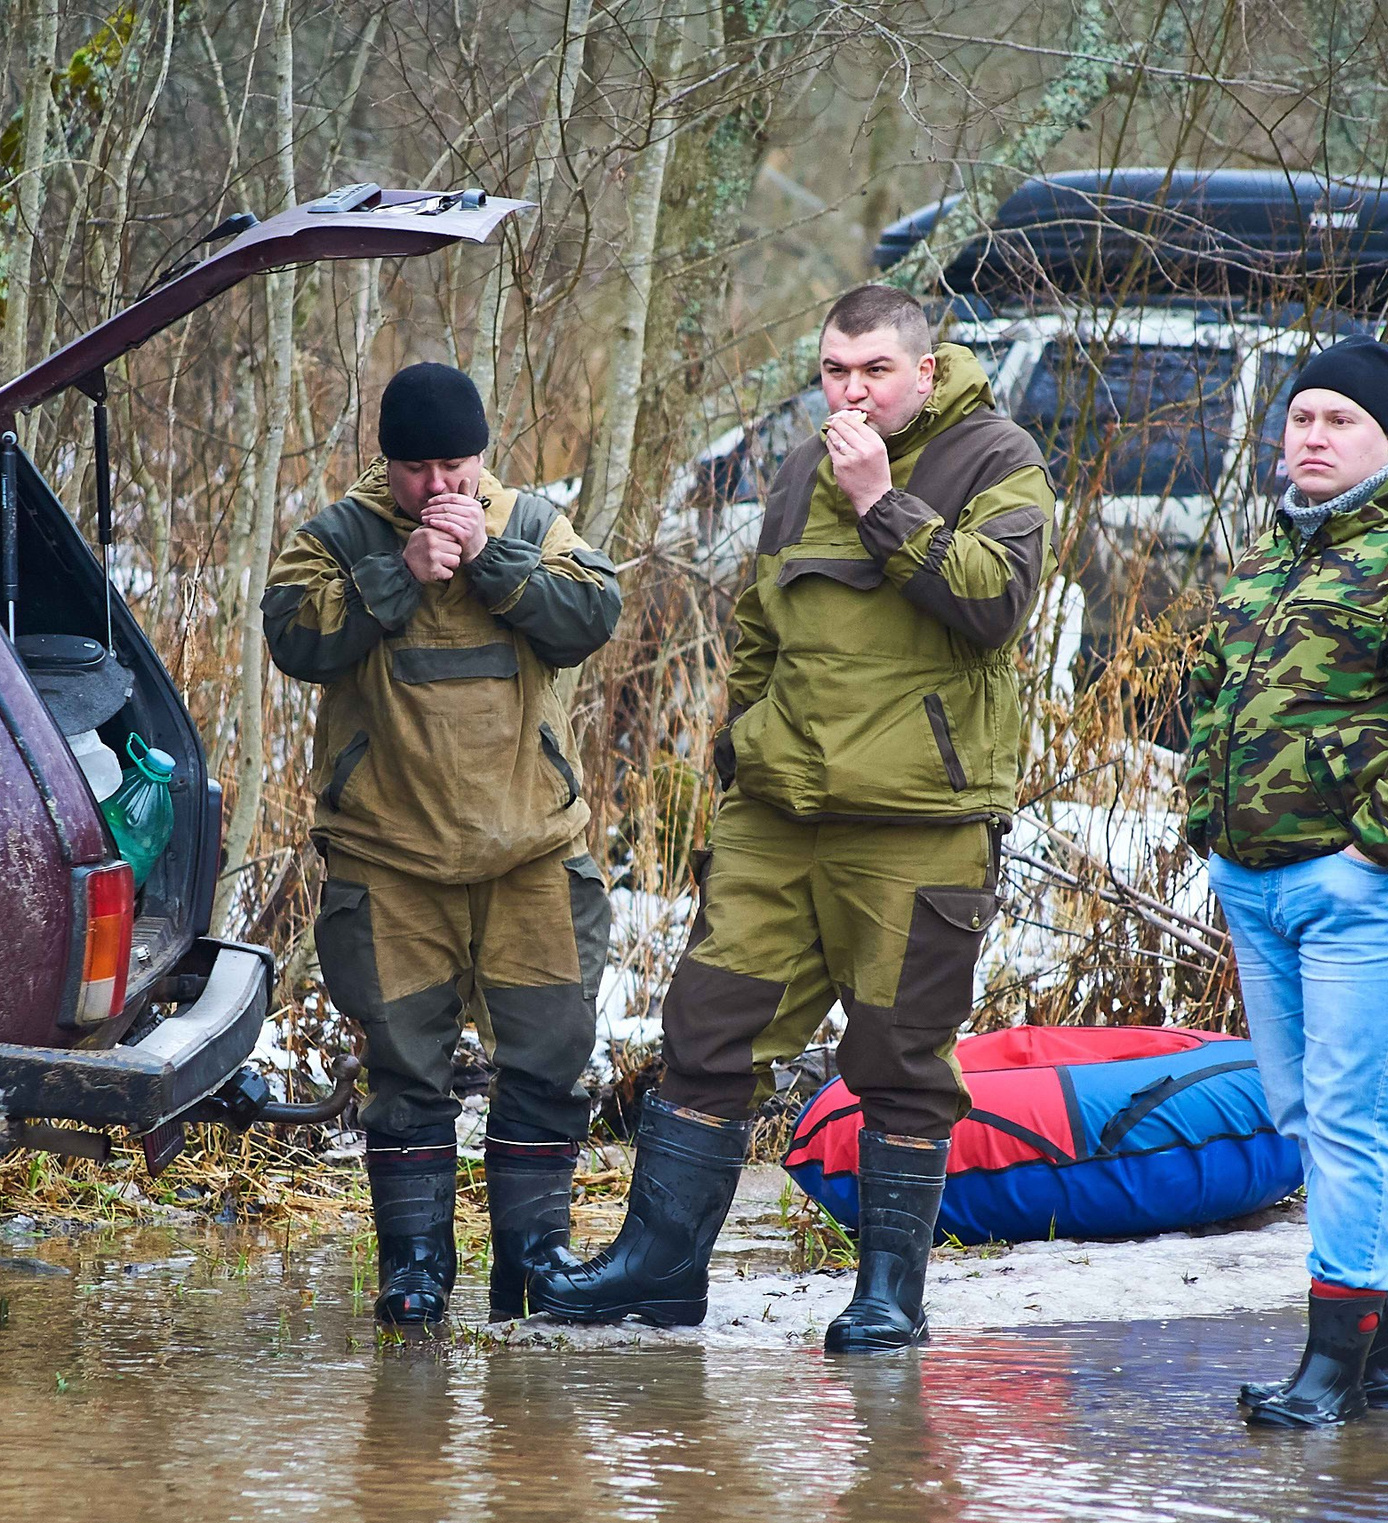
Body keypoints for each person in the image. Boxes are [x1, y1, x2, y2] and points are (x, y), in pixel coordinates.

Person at [528, 284, 1052, 1350]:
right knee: (706, 1032)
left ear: (923, 370)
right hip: (779, 817)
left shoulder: (996, 457)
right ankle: (659, 1270)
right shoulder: (801, 466)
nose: (852, 393)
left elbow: (995, 603)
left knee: (900, 1055)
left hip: (918, 820)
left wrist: (882, 502)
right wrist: (744, 749)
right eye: (833, 372)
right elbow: (759, 629)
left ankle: (889, 1297)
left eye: (875, 371)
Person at [262, 361, 622, 1335]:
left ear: (481, 456)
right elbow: (291, 637)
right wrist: (397, 575)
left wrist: (493, 562)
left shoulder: (532, 523)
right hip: (389, 862)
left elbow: (593, 613)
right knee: (405, 1070)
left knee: (548, 1058)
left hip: (531, 854)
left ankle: (534, 1265)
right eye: (417, 469)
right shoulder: (339, 536)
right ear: (387, 464)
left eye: (455, 467)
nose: (438, 486)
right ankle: (414, 1270)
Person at [1185, 335, 1388, 1427]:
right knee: (1302, 1114)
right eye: (1302, 418)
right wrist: (1208, 825)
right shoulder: (1268, 558)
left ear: (1386, 440)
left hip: (1363, 888)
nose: (1313, 438)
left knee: (1350, 1120)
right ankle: (1383, 1365)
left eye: (1340, 421)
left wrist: (1377, 845)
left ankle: (1332, 1363)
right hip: (1255, 882)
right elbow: (1208, 699)